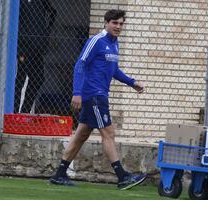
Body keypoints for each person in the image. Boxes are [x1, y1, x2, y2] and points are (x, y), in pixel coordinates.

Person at [49, 9, 147, 190]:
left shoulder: (114, 44)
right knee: (108, 132)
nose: (118, 27)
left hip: (99, 95)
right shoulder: (96, 41)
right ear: (106, 23)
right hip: (93, 95)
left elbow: (114, 70)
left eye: (121, 24)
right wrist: (77, 92)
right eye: (114, 23)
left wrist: (132, 83)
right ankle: (122, 176)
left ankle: (59, 174)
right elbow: (80, 64)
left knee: (81, 135)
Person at [14, 0, 57, 113]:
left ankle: (24, 112)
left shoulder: (42, 2)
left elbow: (53, 12)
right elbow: (15, 22)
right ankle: (13, 113)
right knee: (20, 80)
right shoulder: (18, 3)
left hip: (37, 47)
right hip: (24, 47)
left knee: (38, 78)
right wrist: (21, 44)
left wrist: (46, 32)